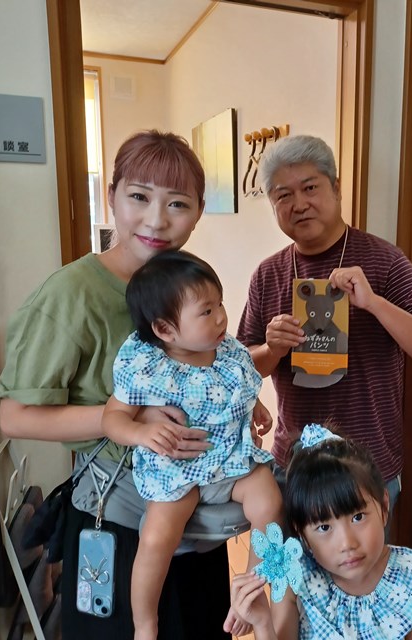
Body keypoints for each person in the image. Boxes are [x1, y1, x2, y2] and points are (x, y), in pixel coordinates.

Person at [0, 130, 237, 639]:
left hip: (193, 514)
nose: (156, 219)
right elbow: (13, 415)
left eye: (177, 203)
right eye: (139, 197)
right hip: (117, 518)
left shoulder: (187, 284)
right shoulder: (71, 295)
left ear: (198, 212)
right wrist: (126, 418)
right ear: (111, 197)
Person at [237, 135, 412, 515]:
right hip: (294, 465)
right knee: (290, 557)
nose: (299, 204)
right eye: (283, 196)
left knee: (361, 557)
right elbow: (239, 370)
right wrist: (272, 349)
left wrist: (374, 304)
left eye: (310, 188)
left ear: (336, 189)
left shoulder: (385, 261)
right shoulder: (268, 275)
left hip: (367, 469)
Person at [102, 249, 283, 640]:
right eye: (206, 311)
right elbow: (112, 418)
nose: (220, 317)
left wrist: (255, 406)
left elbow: (239, 386)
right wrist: (141, 433)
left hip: (231, 458)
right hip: (175, 468)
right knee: (156, 537)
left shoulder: (228, 351)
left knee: (270, 503)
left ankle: (249, 595)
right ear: (165, 330)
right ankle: (145, 623)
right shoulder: (147, 365)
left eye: (220, 304)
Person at [227, 424, 412, 639]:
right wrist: (263, 623)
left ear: (384, 507)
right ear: (302, 535)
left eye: (358, 517)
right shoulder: (295, 578)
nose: (347, 543)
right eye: (324, 527)